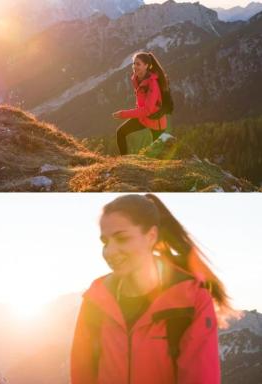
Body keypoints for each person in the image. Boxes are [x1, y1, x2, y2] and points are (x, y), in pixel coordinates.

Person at [71, 194, 233, 384]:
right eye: (105, 242)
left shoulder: (192, 299)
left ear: (151, 236)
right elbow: (82, 375)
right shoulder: (96, 298)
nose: (109, 252)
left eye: (122, 238)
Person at [112, 52, 170, 155]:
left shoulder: (153, 83)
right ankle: (125, 162)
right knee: (120, 132)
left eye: (138, 64)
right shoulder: (137, 78)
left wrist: (123, 114)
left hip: (156, 121)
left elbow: (148, 110)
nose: (134, 66)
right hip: (143, 118)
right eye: (134, 63)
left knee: (157, 156)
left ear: (146, 66)